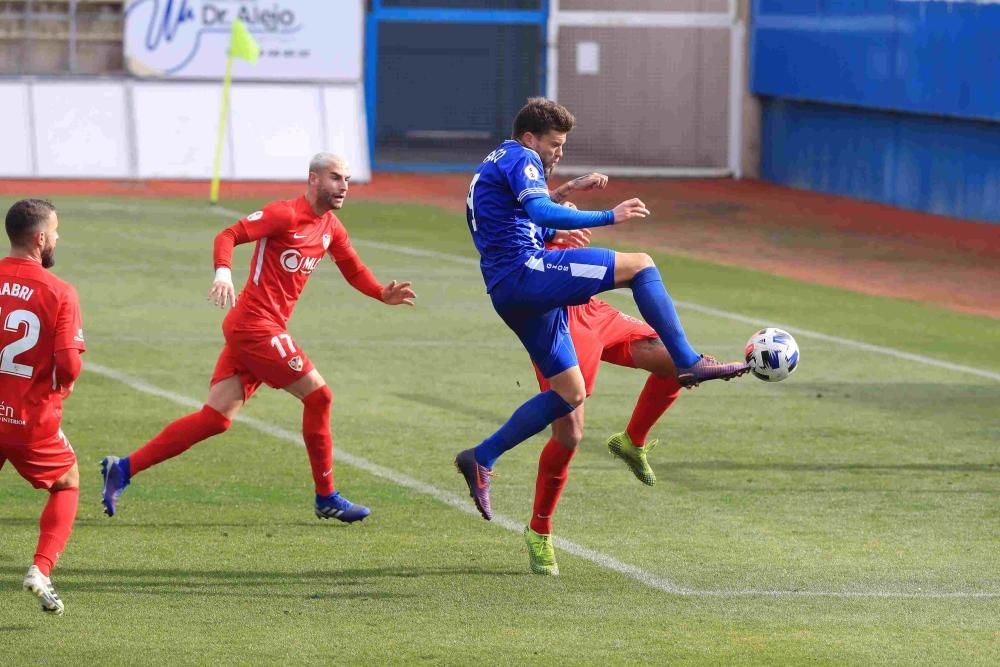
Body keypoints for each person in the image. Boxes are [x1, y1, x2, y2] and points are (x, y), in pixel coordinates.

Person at [455, 98, 747, 521]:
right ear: (529, 137)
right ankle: (687, 362)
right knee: (641, 265)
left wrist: (564, 206)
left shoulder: (495, 162)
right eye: (554, 144)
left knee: (569, 394)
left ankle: (482, 456)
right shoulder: (521, 156)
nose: (558, 152)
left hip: (508, 290)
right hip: (528, 273)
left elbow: (523, 219)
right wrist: (611, 214)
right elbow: (537, 209)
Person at [100, 153, 415, 523]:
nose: (344, 186)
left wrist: (381, 293)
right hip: (255, 324)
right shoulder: (284, 214)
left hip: (260, 327)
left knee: (215, 418)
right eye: (335, 177)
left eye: (346, 179)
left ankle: (122, 469)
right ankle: (326, 496)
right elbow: (228, 234)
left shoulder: (331, 227)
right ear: (313, 179)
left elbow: (353, 269)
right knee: (320, 397)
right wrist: (223, 274)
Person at [522, 175, 684, 575]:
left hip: (595, 313)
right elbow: (532, 239)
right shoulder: (521, 233)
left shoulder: (554, 215)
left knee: (677, 362)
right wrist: (560, 232)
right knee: (570, 434)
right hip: (557, 326)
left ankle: (632, 441)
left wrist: (573, 193)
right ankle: (539, 530)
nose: (571, 215)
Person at [0, 199, 86, 614]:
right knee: (67, 482)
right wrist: (61, 388)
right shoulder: (59, 292)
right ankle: (40, 570)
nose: (57, 237)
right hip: (28, 418)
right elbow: (69, 364)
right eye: (55, 231)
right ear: (39, 239)